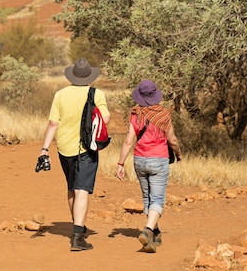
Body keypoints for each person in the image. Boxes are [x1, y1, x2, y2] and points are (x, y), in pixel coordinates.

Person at [37, 58, 111, 251]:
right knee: (82, 189)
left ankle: (78, 226)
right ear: (89, 76)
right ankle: (78, 237)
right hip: (87, 147)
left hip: (64, 148)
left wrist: (44, 149)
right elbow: (106, 118)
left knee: (72, 188)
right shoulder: (96, 93)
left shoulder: (60, 95)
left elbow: (53, 123)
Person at [116, 79, 182, 253]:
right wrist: (179, 154)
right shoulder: (164, 114)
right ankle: (148, 230)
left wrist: (121, 163)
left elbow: (128, 140)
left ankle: (155, 232)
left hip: (140, 159)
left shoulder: (135, 113)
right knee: (158, 199)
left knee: (148, 198)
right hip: (159, 159)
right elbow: (172, 140)